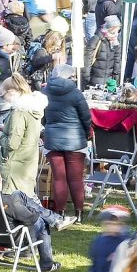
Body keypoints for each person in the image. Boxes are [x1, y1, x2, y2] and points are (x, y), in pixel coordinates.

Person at [0, 166, 72, 272]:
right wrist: (32, 209)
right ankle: (47, 264)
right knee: (42, 222)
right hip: (12, 240)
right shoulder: (8, 202)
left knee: (18, 194)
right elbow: (31, 218)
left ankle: (55, 219)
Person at [43, 65, 92, 218]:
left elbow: (43, 117)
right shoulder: (75, 93)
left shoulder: (44, 92)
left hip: (53, 138)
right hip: (75, 139)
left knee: (59, 178)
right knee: (76, 179)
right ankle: (78, 213)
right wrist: (86, 133)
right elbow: (86, 117)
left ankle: (60, 212)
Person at [0, 73, 47, 198]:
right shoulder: (33, 108)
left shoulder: (19, 111)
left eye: (4, 95)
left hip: (15, 166)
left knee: (16, 204)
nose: (4, 99)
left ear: (13, 92)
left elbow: (12, 143)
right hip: (27, 163)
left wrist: (1, 136)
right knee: (26, 200)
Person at [84, 15, 123, 87]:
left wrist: (116, 81)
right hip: (94, 82)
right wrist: (86, 80)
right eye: (113, 33)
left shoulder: (116, 42)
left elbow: (117, 61)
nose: (115, 35)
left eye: (117, 32)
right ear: (107, 30)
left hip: (109, 82)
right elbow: (87, 62)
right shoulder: (96, 40)